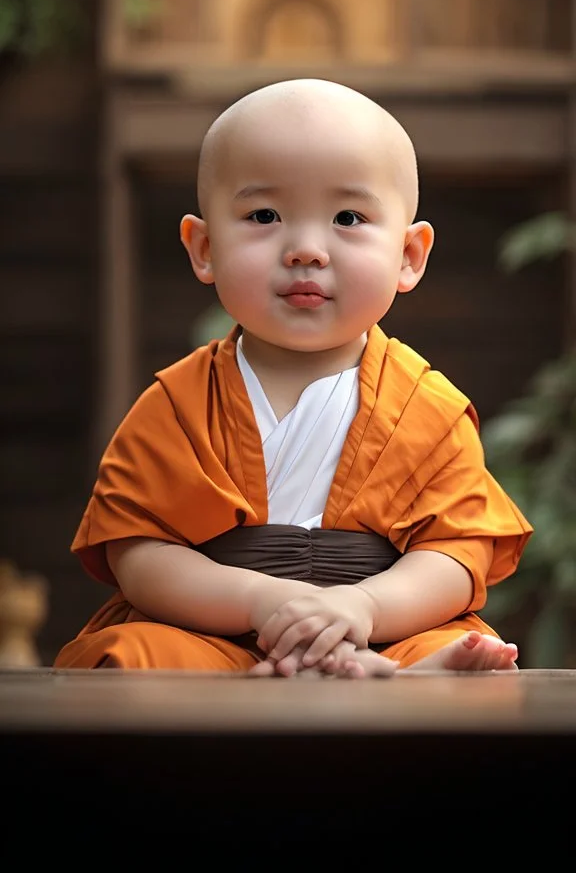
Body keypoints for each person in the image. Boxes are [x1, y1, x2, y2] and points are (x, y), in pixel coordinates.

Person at [54, 78, 532, 677]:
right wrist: (263, 602)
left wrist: (360, 606)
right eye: (264, 215)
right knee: (138, 656)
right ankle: (381, 686)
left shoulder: (426, 405)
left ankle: (391, 672)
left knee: (457, 653)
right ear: (203, 247)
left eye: (348, 217)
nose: (306, 249)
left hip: (383, 627)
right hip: (217, 631)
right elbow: (140, 552)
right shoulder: (175, 403)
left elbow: (457, 554)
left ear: (409, 255)